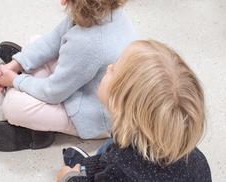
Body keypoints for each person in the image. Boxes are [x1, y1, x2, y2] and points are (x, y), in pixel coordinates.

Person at [0, 0, 136, 152]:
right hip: (85, 79)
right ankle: (26, 65)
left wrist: (16, 80)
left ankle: (38, 132)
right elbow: (56, 38)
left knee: (14, 107)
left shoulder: (89, 43)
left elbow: (54, 92)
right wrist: (16, 64)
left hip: (92, 113)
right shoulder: (103, 6)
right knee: (38, 41)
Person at [55, 40, 212, 181]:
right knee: (111, 146)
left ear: (119, 104)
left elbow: (117, 166)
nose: (109, 66)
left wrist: (69, 178)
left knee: (108, 151)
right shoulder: (196, 160)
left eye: (114, 70)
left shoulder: (120, 170)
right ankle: (90, 166)